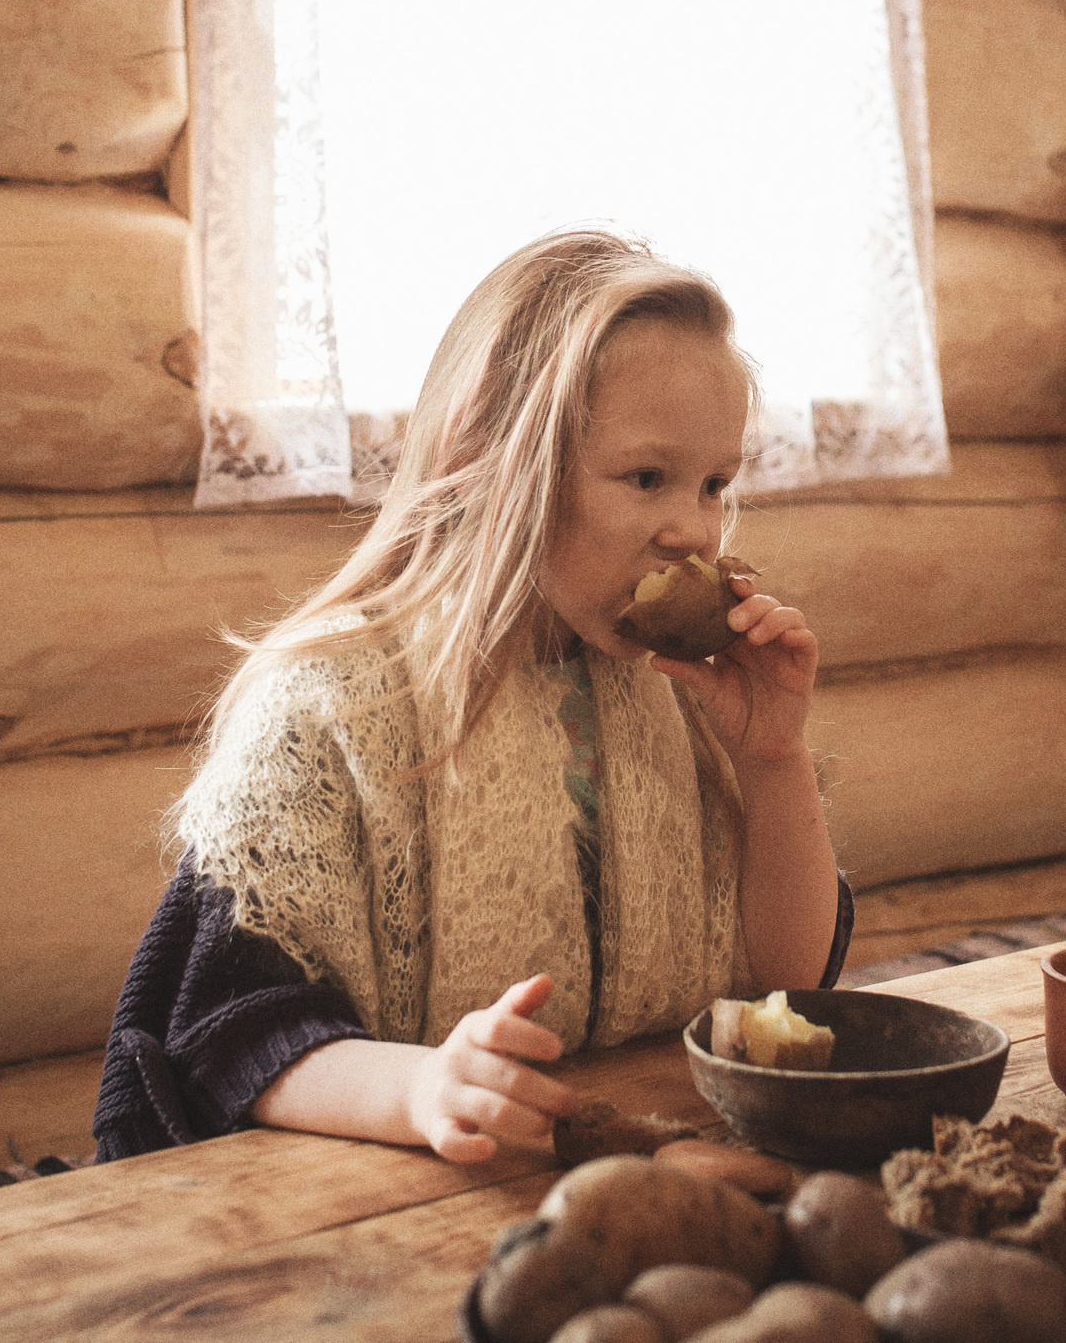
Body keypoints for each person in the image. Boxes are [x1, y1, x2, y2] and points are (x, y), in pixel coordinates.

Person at [94, 230, 850, 1164]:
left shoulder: (685, 695)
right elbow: (227, 1028)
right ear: (499, 455)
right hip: (386, 1189)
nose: (692, 530)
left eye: (714, 483)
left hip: (651, 1160)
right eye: (647, 477)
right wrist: (419, 1086)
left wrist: (772, 761)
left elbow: (795, 980)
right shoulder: (327, 707)